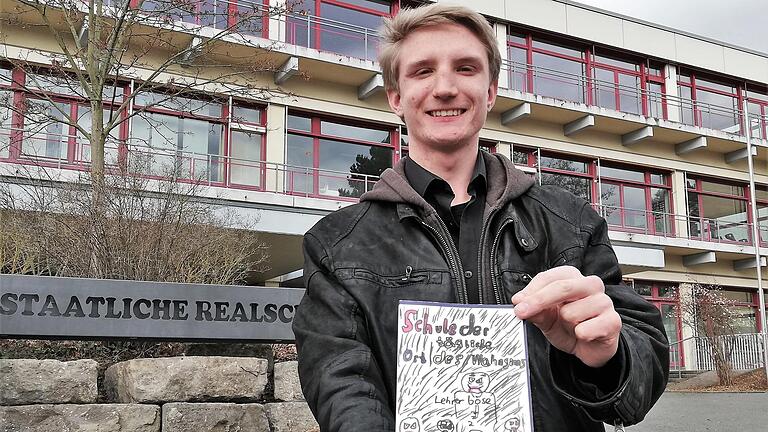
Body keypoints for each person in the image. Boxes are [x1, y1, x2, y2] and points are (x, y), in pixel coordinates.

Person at [292, 4, 669, 432]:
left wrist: (606, 357)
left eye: (466, 68)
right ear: (396, 97)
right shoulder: (336, 246)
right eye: (422, 71)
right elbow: (340, 382)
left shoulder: (571, 222)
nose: (446, 88)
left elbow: (641, 369)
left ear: (490, 92)